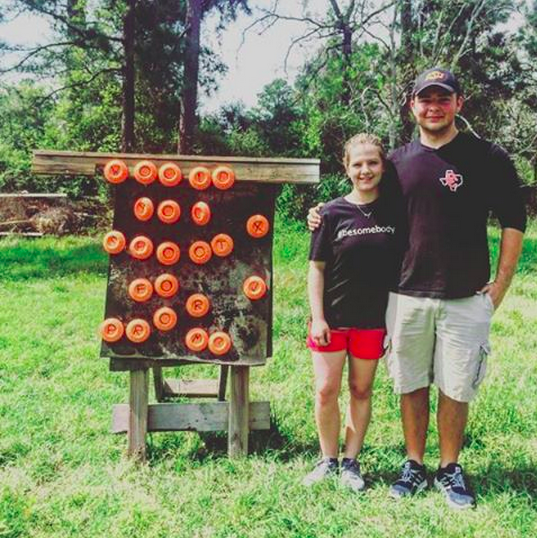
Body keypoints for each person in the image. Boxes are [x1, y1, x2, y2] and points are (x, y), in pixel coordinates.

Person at [308, 67, 526, 509]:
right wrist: (322, 214)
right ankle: (413, 463)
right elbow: (362, 195)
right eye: (425, 99)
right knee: (410, 384)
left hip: (465, 297)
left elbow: (514, 221)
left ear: (459, 104)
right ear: (413, 106)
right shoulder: (398, 163)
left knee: (456, 385)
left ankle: (449, 467)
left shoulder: (487, 157)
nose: (434, 106)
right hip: (405, 295)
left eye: (443, 98)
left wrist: (501, 284)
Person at [303, 133, 404, 492]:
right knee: (326, 390)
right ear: (346, 168)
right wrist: (318, 318)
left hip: (373, 320)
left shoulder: (396, 210)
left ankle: (351, 462)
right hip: (332, 319)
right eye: (358, 164)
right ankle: (327, 459)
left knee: (361, 390)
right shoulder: (329, 213)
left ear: (383, 166)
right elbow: (316, 268)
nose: (365, 170)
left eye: (372, 163)